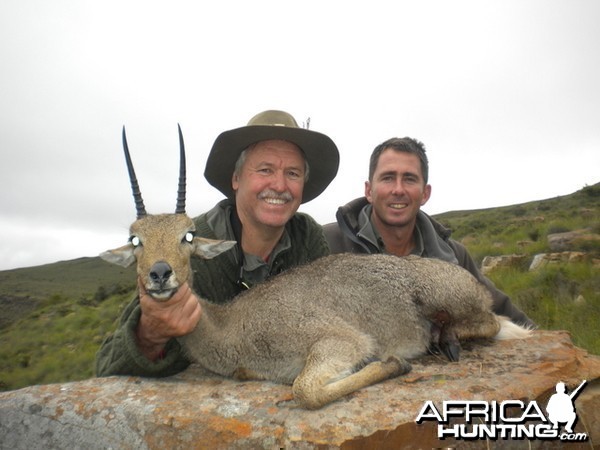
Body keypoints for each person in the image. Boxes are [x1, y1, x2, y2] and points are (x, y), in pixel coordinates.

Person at [96, 110, 340, 377]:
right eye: (265, 169)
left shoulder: (308, 239)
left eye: (292, 173)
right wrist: (151, 335)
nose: (279, 185)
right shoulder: (185, 246)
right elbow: (108, 366)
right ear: (236, 179)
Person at [323, 137, 535, 327]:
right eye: (388, 178)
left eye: (409, 179)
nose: (398, 190)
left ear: (425, 193)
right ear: (369, 191)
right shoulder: (327, 243)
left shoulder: (453, 255)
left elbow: (499, 307)